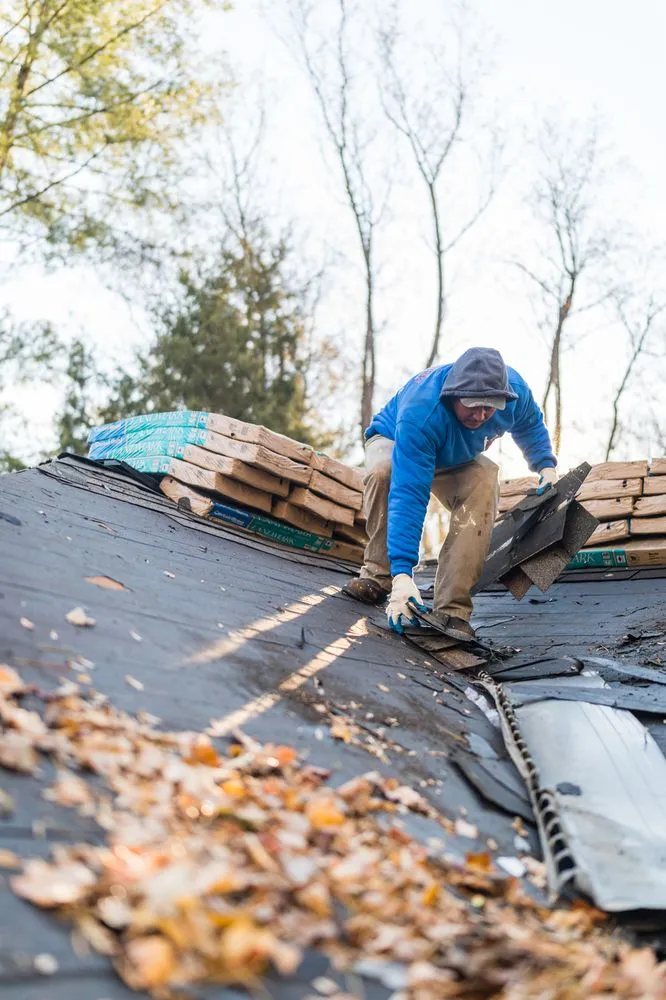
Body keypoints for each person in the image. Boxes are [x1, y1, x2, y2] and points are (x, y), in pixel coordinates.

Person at [343, 347, 558, 637]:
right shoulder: (422, 411)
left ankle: (452, 609)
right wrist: (404, 574)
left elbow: (530, 424)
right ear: (454, 395)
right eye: (472, 406)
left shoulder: (514, 391)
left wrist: (545, 465)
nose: (481, 415)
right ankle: (380, 576)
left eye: (489, 407)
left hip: (456, 454)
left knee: (485, 478)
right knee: (385, 472)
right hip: (398, 440)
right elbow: (409, 495)